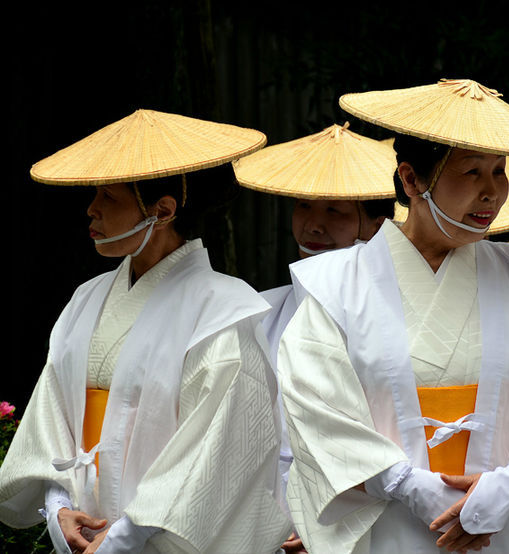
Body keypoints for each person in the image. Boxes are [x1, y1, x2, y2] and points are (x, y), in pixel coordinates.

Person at [279, 79, 509, 553]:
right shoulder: (335, 286)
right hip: (387, 525)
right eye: (472, 172)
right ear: (411, 179)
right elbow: (316, 406)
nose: (493, 193)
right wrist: (406, 483)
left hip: (503, 526)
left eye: (499, 171)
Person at [0, 110, 291, 553]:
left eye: (109, 197)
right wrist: (58, 506)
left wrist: (125, 536)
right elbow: (51, 417)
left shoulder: (222, 311)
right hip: (82, 527)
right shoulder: (87, 298)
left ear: (163, 210)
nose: (91, 208)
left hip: (156, 539)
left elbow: (212, 455)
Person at [234, 122, 396, 553]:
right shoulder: (263, 312)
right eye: (303, 206)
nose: (313, 224)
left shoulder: (392, 318)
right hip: (266, 508)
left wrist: (322, 521)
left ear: (378, 225)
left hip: (359, 511)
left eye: (335, 212)